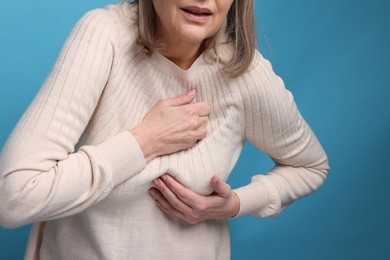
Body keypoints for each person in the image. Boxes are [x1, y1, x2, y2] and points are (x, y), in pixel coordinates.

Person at [0, 0, 329, 259]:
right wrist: (144, 142)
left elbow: (312, 166)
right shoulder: (104, 35)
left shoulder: (245, 75)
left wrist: (236, 205)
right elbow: (13, 198)